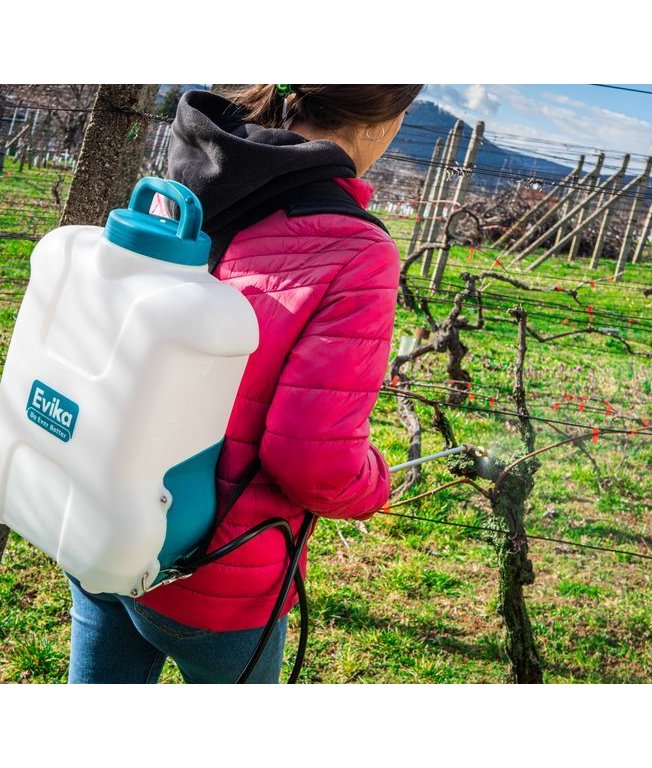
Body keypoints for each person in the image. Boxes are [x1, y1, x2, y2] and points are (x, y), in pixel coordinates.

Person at [67, 84, 424, 684]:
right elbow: (314, 460)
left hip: (104, 517)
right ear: (383, 121)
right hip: (215, 575)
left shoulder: (193, 179)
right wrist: (373, 486)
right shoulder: (357, 250)